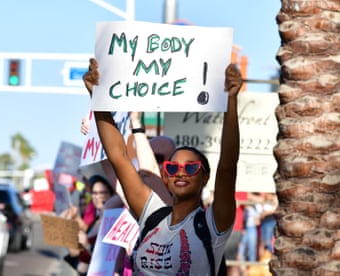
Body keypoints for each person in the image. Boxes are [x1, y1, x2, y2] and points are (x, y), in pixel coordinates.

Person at [83, 57, 243, 274]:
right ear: (165, 177)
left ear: (205, 177)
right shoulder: (152, 214)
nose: (180, 173)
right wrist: (98, 96)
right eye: (172, 167)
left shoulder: (213, 224)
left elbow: (227, 165)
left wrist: (231, 101)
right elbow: (118, 157)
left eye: (190, 168)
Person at [61, 174, 115, 275]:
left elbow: (109, 258)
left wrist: (87, 245)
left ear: (111, 195)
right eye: (94, 193)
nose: (98, 197)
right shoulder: (96, 219)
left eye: (103, 193)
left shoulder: (114, 222)